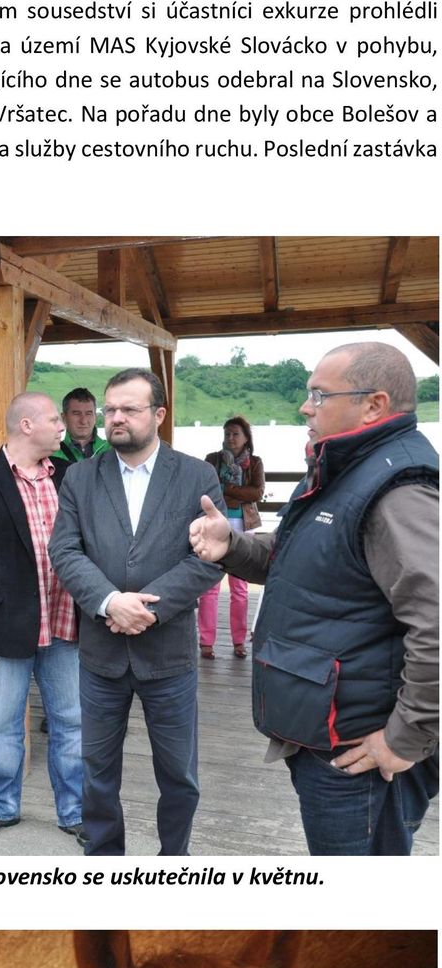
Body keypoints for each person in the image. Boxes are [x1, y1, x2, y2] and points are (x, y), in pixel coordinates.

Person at [189, 340, 439, 856]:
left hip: (357, 757)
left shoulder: (397, 490)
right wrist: (230, 546)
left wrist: (404, 740)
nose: (305, 406)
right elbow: (298, 558)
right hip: (324, 734)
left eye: (319, 395)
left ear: (375, 404)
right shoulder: (345, 467)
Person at [49, 368, 225, 856]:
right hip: (101, 656)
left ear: (160, 415)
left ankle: (174, 861)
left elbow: (210, 560)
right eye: (111, 409)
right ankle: (105, 863)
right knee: (97, 772)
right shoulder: (81, 477)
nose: (116, 418)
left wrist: (147, 608)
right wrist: (110, 601)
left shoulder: (197, 476)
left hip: (168, 656)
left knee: (179, 775)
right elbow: (64, 551)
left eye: (130, 409)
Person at [0, 393, 84, 844]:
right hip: (0, 632)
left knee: (72, 722)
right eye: (52, 418)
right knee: (4, 724)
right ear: (26, 425)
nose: (62, 425)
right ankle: (1, 807)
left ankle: (75, 812)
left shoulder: (71, 474)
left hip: (67, 624)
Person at [197, 417, 265, 659]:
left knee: (240, 587)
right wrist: (236, 494)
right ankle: (206, 642)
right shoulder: (212, 459)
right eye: (227, 433)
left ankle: (239, 641)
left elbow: (256, 492)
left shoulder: (254, 462)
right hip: (216, 525)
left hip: (244, 527)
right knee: (210, 585)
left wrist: (225, 489)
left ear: (246, 437)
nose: (230, 438)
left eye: (236, 433)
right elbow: (205, 487)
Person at [51, 387, 111, 466]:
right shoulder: (51, 454)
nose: (83, 421)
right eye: (76, 413)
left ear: (95, 417)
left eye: (88, 413)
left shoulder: (111, 450)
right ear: (64, 417)